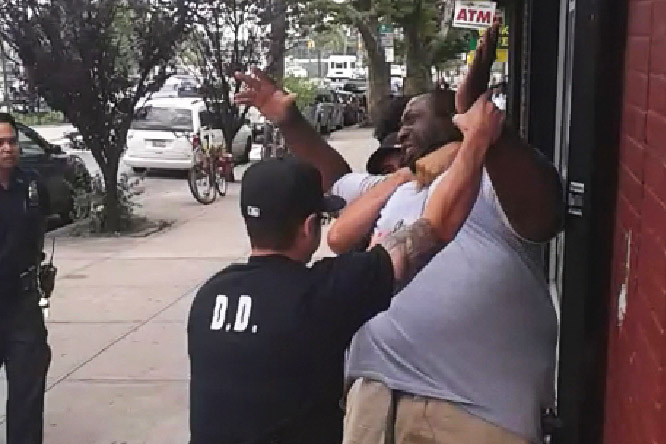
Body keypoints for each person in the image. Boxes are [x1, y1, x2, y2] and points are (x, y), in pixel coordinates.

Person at [235, 21, 564, 444]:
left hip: (472, 410)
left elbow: (543, 216)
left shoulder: (490, 183)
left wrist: (488, 138)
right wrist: (290, 120)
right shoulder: (394, 186)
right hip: (376, 399)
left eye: (415, 119)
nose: (402, 131)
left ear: (457, 122)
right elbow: (334, 179)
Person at [186, 94, 505, 444]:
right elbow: (435, 228)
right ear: (309, 228)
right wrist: (477, 140)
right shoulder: (322, 295)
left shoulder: (209, 297)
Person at [0, 112, 52, 444]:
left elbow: (39, 231)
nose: (7, 149)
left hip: (22, 303)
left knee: (28, 390)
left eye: (12, 142)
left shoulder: (30, 184)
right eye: (0, 143)